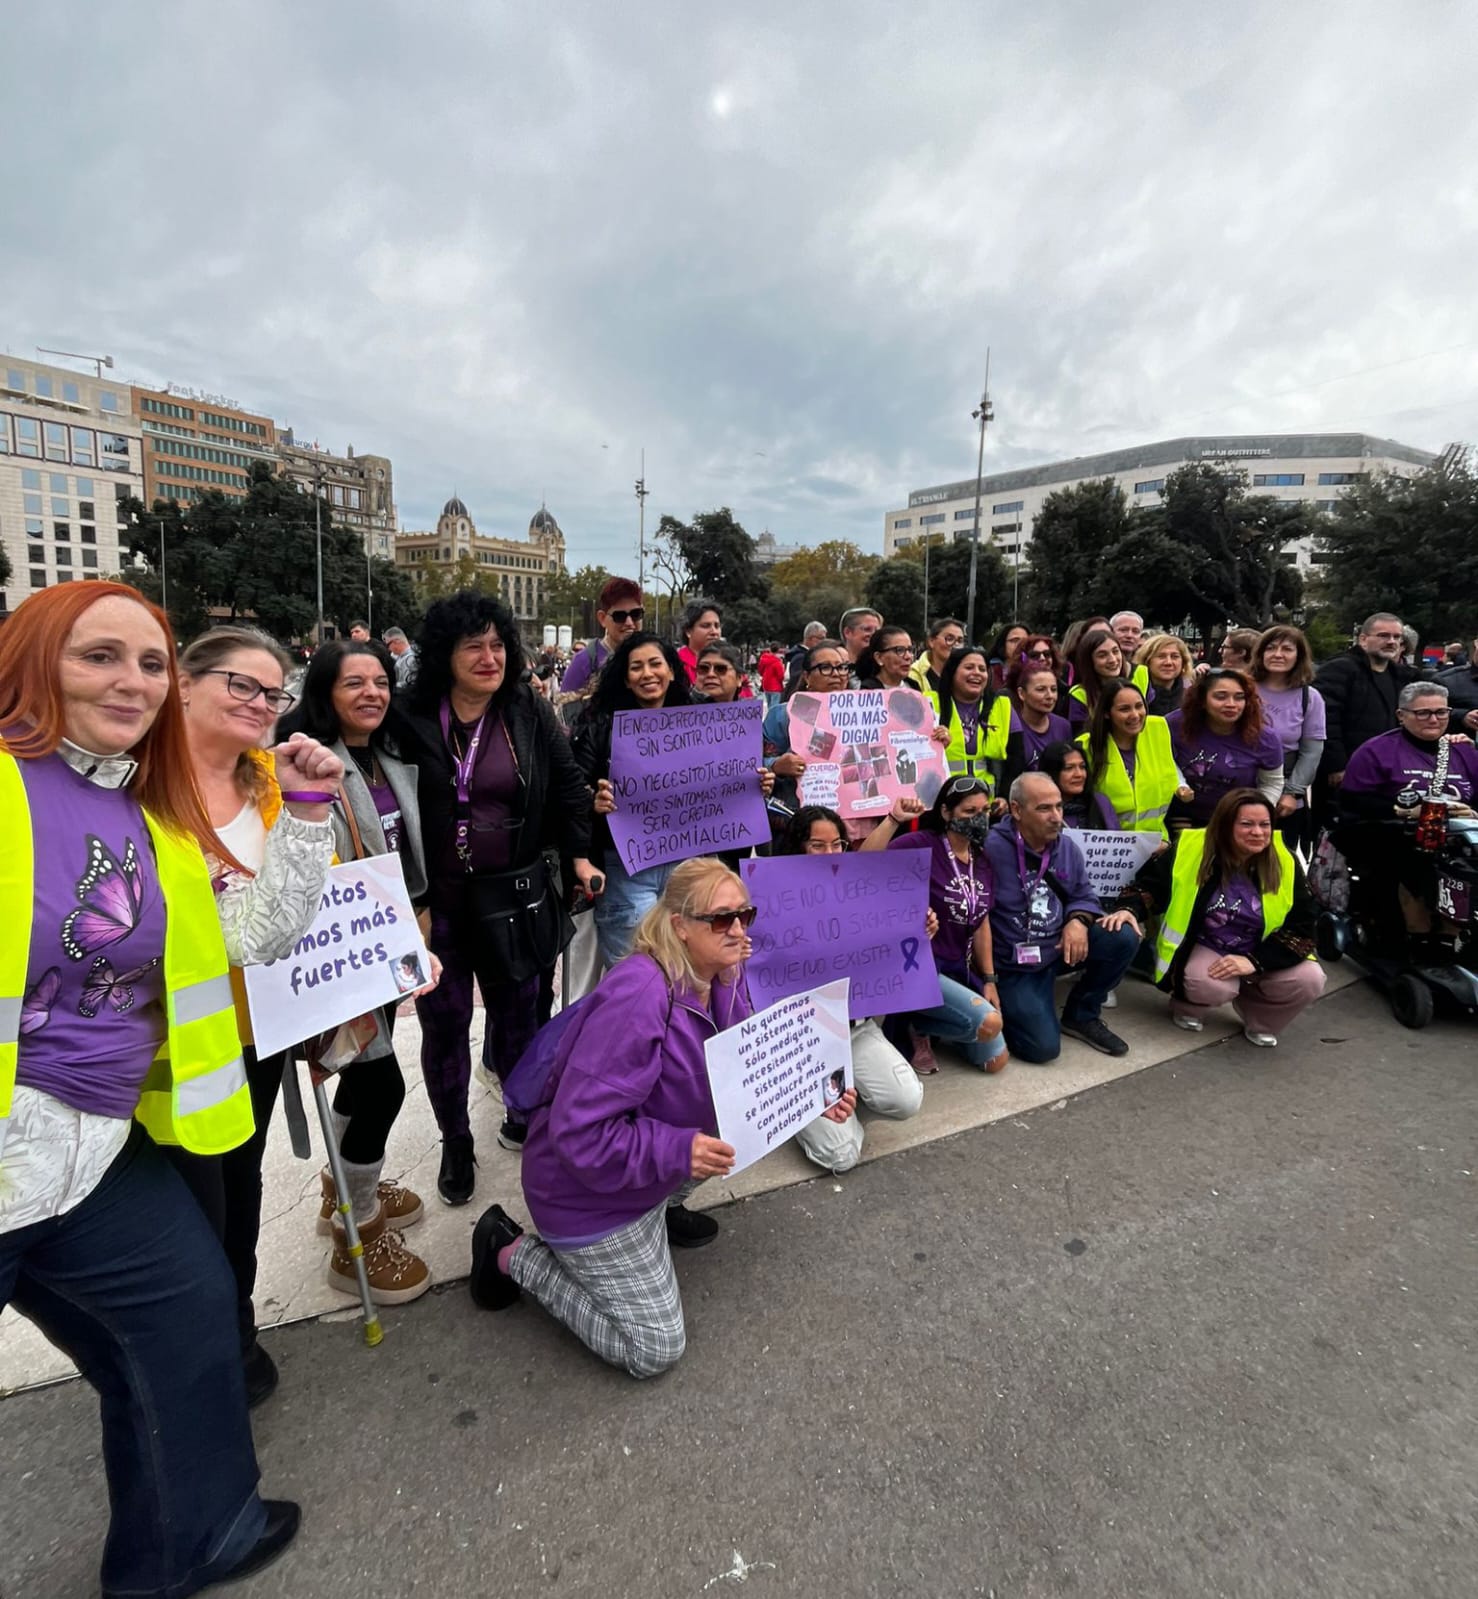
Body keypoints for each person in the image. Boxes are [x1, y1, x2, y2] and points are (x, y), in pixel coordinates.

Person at [0, 584, 308, 1596]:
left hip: (93, 1154)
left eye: (146, 660)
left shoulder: (150, 804)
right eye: (98, 656)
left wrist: (302, 816)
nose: (129, 682)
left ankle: (196, 1536)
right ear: (37, 658)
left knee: (187, 1322)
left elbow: (241, 938)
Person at [466, 858, 857, 1376]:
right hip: (584, 1194)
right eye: (721, 919)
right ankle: (511, 1252)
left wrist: (812, 1093)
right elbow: (581, 1134)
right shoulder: (638, 995)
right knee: (653, 1349)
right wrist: (678, 1150)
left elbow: (747, 1070)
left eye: (745, 915)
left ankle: (661, 1211)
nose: (738, 930)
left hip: (646, 1170)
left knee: (720, 1142)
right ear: (679, 925)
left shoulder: (723, 974)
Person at [177, 625, 343, 1401]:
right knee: (181, 1205)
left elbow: (319, 895)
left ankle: (232, 1329)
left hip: (254, 1029)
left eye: (271, 691)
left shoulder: (268, 784)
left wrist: (391, 949)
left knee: (237, 1189)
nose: (259, 702)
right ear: (184, 684)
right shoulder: (133, 790)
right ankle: (186, 1347)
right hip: (155, 1043)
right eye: (240, 684)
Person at [393, 591, 600, 1205]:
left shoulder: (526, 711)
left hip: (516, 896)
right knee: (446, 1024)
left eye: (498, 645)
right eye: (472, 646)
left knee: (519, 1017)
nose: (489, 657)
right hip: (436, 908)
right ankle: (455, 1140)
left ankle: (521, 1108)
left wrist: (581, 855)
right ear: (444, 655)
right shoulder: (407, 716)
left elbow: (567, 785)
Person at [278, 638, 439, 1305]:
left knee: (367, 1070)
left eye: (379, 680)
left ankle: (339, 1185)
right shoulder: (300, 763)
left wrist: (419, 916)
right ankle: (359, 1230)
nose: (372, 692)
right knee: (381, 1087)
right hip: (334, 950)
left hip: (388, 937)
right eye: (353, 683)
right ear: (324, 690)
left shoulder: (392, 756)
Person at [777, 807, 925, 1168]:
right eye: (817, 845)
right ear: (797, 848)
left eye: (837, 844)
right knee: (841, 1156)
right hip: (801, 1043)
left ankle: (841, 1101)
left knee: (907, 1099)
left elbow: (892, 946)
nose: (830, 854)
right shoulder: (772, 902)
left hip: (854, 1030)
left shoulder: (860, 894)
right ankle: (797, 1109)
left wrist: (918, 931)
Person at [1127, 790, 1325, 1046]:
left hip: (1260, 948)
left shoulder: (1285, 860)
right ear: (1225, 825)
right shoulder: (1192, 847)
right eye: (1247, 824)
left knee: (1311, 978)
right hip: (1209, 946)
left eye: (1265, 824)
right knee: (1212, 985)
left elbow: (1304, 925)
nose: (1258, 832)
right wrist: (1129, 909)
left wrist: (1255, 961)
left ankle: (1261, 1018)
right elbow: (1151, 886)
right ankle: (1188, 1006)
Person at [983, 774, 1143, 1060]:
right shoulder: (990, 849)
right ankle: (1015, 1009)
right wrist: (987, 976)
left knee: (1122, 936)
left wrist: (1078, 921)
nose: (1056, 817)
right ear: (1016, 810)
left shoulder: (1066, 846)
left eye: (1059, 807)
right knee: (1042, 1049)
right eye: (1044, 808)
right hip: (1014, 964)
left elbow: (1084, 894)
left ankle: (1081, 1014)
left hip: (1059, 947)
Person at [862, 782, 1009, 1074]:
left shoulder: (982, 860)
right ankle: (914, 1023)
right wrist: (893, 820)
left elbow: (982, 923)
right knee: (989, 1022)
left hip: (960, 967)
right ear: (945, 811)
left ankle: (930, 1023)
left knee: (995, 1062)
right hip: (920, 966)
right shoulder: (922, 844)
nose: (978, 819)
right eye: (969, 811)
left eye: (983, 811)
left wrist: (990, 978)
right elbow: (864, 864)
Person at [574, 632, 698, 966]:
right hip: (626, 868)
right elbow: (573, 787)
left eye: (655, 664)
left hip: (687, 865)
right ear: (626, 680)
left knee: (691, 968)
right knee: (638, 974)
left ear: (671, 671)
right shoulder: (599, 725)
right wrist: (592, 801)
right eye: (636, 667)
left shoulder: (700, 723)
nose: (647, 674)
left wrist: (757, 783)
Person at [1337, 682, 1478, 946]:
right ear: (1401, 715)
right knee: (1418, 862)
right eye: (1423, 713)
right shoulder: (1376, 750)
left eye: (1441, 712)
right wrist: (1403, 809)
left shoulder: (1464, 750)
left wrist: (1472, 812)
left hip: (1458, 834)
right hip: (1394, 833)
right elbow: (1352, 803)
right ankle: (1421, 937)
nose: (1434, 719)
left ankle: (1454, 934)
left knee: (1461, 864)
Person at [1313, 612, 1417, 806]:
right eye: (1383, 635)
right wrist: (1336, 765)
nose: (1391, 642)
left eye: (1397, 637)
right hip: (1344, 772)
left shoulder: (1400, 676)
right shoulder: (1339, 669)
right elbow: (1325, 719)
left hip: (1386, 770)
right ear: (1363, 639)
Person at [1166, 670, 1284, 827]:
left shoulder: (1265, 738)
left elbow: (1272, 783)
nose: (1231, 704)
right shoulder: (1175, 724)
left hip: (1234, 822)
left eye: (1239, 697)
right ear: (1202, 700)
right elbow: (1163, 761)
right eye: (1220, 697)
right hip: (1181, 817)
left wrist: (1253, 818)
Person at [1080, 679, 1189, 837]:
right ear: (1106, 713)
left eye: (1139, 706)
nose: (1135, 715)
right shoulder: (1085, 747)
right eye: (1124, 709)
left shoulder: (1157, 731)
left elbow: (1169, 767)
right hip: (1107, 849)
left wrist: (1181, 784)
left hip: (1156, 843)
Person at [1249, 626, 1327, 837]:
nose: (1278, 654)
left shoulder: (1309, 698)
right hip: (1240, 785)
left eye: (1287, 649)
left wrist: (1293, 792)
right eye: (1271, 648)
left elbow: (1311, 752)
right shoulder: (1243, 688)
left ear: (1298, 656)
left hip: (1285, 792)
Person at [763, 637, 850, 818]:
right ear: (806, 676)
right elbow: (752, 763)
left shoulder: (861, 715)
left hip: (849, 817)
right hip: (794, 818)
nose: (836, 674)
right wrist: (776, 765)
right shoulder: (783, 715)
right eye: (825, 668)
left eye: (842, 667)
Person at [556, 575, 644, 709]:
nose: (629, 623)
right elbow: (564, 716)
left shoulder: (654, 657)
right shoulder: (584, 661)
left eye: (636, 614)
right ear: (602, 618)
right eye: (619, 616)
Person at [932, 644, 1010, 786]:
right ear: (952, 672)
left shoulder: (1001, 705)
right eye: (969, 668)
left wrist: (1004, 797)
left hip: (986, 802)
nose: (977, 673)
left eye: (982, 669)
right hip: (942, 797)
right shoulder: (929, 703)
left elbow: (1015, 757)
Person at [998, 659, 1072, 795]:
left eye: (1053, 689)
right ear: (1022, 694)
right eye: (1041, 689)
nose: (1049, 696)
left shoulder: (1063, 726)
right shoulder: (1011, 727)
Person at [1040, 739, 1119, 830]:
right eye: (1069, 768)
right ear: (1051, 773)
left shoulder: (1100, 802)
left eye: (1082, 767)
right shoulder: (1041, 811)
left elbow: (1117, 841)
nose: (1079, 774)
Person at [1065, 627, 1125, 730]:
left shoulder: (1130, 688)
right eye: (1102, 655)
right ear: (1089, 661)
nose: (1112, 659)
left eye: (1115, 651)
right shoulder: (1079, 695)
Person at [1133, 633, 1194, 717]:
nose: (1168, 662)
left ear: (1183, 662)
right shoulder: (1134, 693)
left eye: (1174, 656)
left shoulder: (1192, 697)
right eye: (1161, 656)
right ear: (1147, 660)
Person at [907, 616, 966, 693]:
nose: (955, 645)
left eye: (960, 641)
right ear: (931, 641)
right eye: (949, 638)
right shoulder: (913, 675)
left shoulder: (965, 674)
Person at [1436, 631, 1478, 734]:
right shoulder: (1445, 680)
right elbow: (1424, 713)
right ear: (1476, 643)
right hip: (1460, 747)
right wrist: (1463, 716)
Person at [676, 599, 724, 684]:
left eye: (717, 626)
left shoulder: (731, 663)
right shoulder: (676, 665)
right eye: (706, 626)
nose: (714, 632)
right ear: (688, 631)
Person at [857, 624, 919, 690]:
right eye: (900, 650)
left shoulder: (913, 686)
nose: (908, 656)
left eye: (910, 650)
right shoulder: (867, 692)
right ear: (879, 658)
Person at [783, 620, 828, 697]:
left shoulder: (804, 656)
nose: (825, 642)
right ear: (811, 638)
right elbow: (797, 684)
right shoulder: (801, 658)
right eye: (822, 638)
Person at [839, 606, 883, 684]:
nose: (873, 634)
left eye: (877, 631)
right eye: (867, 629)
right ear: (848, 632)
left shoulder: (882, 668)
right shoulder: (835, 669)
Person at [987, 623, 1029, 693]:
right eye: (1015, 640)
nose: (1020, 645)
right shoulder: (990, 670)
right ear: (1003, 644)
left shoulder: (1035, 671)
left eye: (1025, 641)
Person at [757, 642, 786, 709]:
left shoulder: (763, 659)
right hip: (775, 687)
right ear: (778, 650)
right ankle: (773, 719)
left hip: (766, 685)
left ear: (770, 649)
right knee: (774, 707)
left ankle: (769, 717)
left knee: (769, 705)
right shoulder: (777, 661)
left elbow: (760, 671)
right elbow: (780, 676)